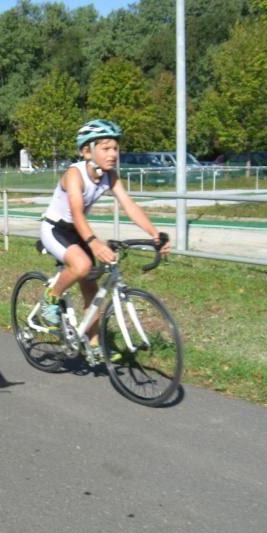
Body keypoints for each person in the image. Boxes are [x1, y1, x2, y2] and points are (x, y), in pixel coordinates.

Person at [39, 119, 169, 362]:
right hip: (55, 228)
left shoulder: (110, 176)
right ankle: (51, 297)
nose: (113, 154)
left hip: (79, 231)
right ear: (87, 151)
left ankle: (94, 345)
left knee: (91, 288)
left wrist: (155, 233)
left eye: (115, 148)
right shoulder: (74, 174)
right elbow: (76, 212)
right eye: (106, 148)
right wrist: (94, 243)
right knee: (82, 266)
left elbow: (129, 205)